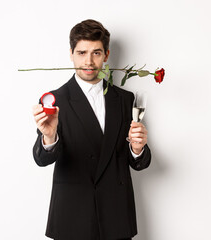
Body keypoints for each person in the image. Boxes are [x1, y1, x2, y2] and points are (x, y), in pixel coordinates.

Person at [31, 19, 152, 240]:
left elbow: (139, 163)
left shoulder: (125, 99)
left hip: (116, 217)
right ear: (71, 54)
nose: (88, 61)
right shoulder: (54, 100)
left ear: (106, 55)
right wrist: (49, 137)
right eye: (82, 52)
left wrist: (138, 149)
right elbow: (41, 159)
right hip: (72, 218)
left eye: (96, 53)